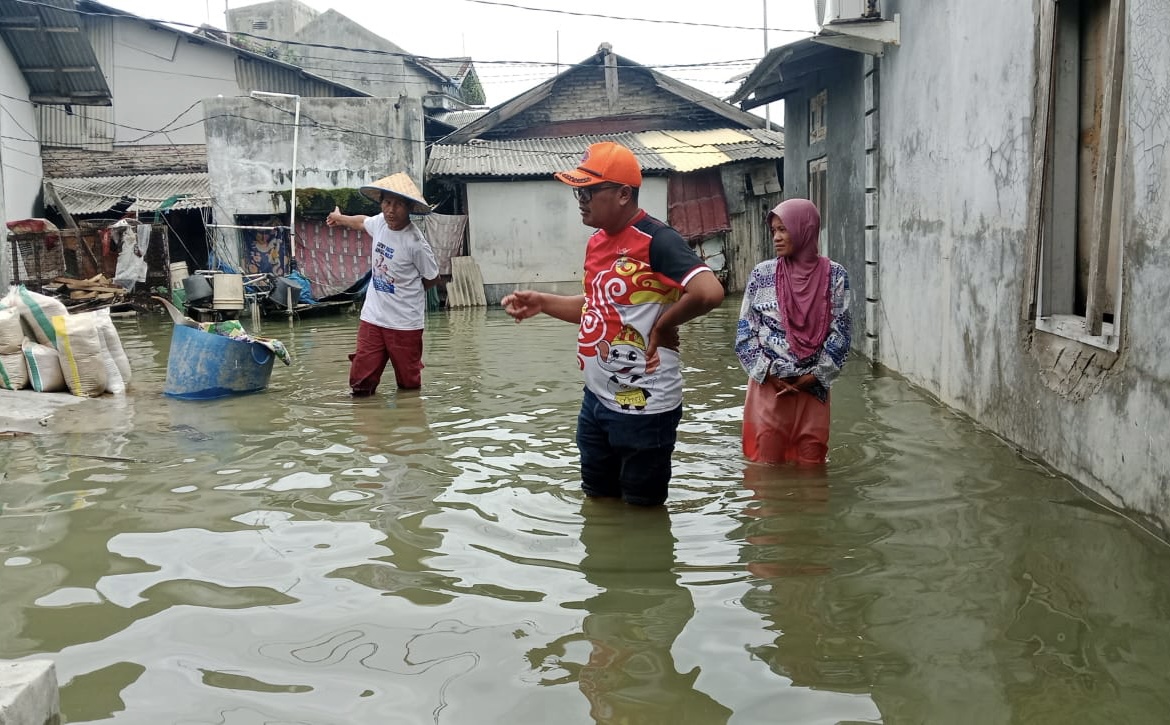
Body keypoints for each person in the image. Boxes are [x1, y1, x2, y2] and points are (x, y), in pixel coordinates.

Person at [502, 141, 725, 506]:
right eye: (578, 191)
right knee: (598, 500)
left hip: (645, 408)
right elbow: (596, 307)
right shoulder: (596, 243)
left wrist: (662, 324)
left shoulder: (657, 240)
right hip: (596, 401)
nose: (581, 199)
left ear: (623, 194)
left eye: (589, 190)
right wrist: (542, 302)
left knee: (643, 511)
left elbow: (709, 292)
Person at [735, 198, 851, 465]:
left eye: (783, 229)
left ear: (804, 229)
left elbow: (841, 335)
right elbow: (745, 334)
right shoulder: (762, 275)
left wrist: (812, 377)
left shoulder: (835, 276)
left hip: (813, 388)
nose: (776, 237)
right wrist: (770, 374)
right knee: (766, 466)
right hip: (769, 386)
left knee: (812, 462)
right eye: (774, 230)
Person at [326, 172, 440, 394]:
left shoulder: (415, 243)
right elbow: (362, 222)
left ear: (409, 208)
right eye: (387, 203)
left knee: (409, 386)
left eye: (398, 204)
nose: (391, 210)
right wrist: (339, 219)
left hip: (405, 324)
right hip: (373, 318)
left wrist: (406, 294)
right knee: (360, 383)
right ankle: (367, 424)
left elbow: (432, 277)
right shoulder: (380, 223)